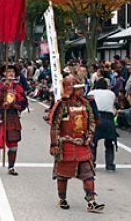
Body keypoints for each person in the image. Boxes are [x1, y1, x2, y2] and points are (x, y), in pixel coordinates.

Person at [49, 76, 105, 212]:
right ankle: (62, 198)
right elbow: (55, 125)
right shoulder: (62, 105)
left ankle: (91, 201)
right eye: (78, 89)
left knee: (88, 173)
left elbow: (92, 121)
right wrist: (54, 144)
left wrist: (90, 135)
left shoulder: (86, 104)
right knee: (63, 175)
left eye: (81, 88)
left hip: (82, 144)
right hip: (66, 144)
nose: (81, 91)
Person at [0, 64, 28, 176]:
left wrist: (13, 105)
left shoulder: (18, 87)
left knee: (13, 142)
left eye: (12, 72)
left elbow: (24, 103)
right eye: (8, 71)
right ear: (4, 73)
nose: (10, 73)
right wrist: (2, 91)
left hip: (13, 116)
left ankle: (11, 167)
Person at [88, 78, 117, 171]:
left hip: (96, 118)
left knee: (93, 142)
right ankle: (110, 164)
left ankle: (91, 162)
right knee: (109, 143)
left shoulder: (91, 93)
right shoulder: (111, 94)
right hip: (109, 118)